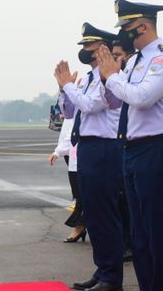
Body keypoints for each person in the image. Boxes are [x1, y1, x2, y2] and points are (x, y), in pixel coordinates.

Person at [95, 0, 163, 291]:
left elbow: (142, 97)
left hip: (157, 149)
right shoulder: (134, 61)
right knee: (141, 236)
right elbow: (118, 100)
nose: (122, 34)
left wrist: (113, 78)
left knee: (158, 235)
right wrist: (108, 79)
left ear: (143, 26)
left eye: (127, 28)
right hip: (132, 150)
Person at [55, 22, 124, 291]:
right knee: (93, 214)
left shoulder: (110, 77)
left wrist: (68, 87)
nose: (84, 50)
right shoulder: (89, 77)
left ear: (102, 48)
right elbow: (71, 112)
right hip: (87, 148)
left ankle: (111, 277)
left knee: (105, 214)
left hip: (104, 149)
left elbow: (92, 105)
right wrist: (65, 89)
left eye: (89, 45)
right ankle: (102, 269)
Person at [111, 39, 135, 262]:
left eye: (118, 55)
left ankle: (130, 243)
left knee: (128, 200)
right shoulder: (116, 79)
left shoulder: (128, 79)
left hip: (130, 143)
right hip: (119, 143)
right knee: (120, 198)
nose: (115, 59)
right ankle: (124, 241)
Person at [49, 95, 84, 243]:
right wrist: (57, 152)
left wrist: (57, 151)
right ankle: (81, 226)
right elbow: (65, 137)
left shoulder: (78, 112)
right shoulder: (69, 116)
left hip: (79, 158)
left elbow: (70, 138)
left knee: (83, 196)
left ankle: (80, 226)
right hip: (72, 159)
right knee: (79, 195)